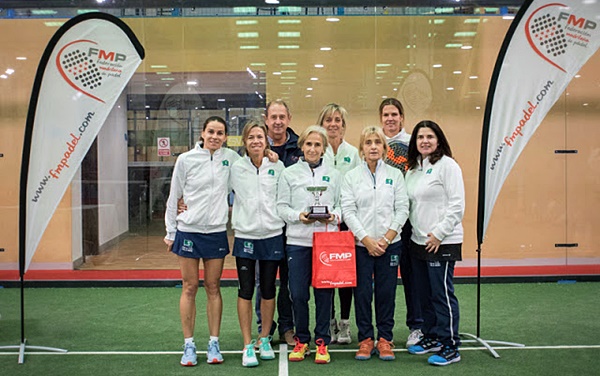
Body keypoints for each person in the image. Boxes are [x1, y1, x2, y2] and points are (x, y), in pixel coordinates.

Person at [164, 116, 240, 366]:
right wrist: (171, 231)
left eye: (220, 133)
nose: (215, 137)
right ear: (202, 133)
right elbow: (174, 195)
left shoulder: (230, 159)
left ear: (226, 137)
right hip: (188, 230)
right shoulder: (185, 160)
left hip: (216, 231)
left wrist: (271, 157)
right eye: (211, 132)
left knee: (213, 286)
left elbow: (251, 167)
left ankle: (213, 343)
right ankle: (188, 345)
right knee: (189, 287)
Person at [341, 125, 409, 361]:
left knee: (386, 293)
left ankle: (385, 339)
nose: (373, 147)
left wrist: (387, 238)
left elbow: (402, 209)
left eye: (377, 142)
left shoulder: (395, 175)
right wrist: (366, 240)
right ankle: (366, 339)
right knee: (361, 294)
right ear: (361, 148)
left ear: (384, 148)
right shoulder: (351, 177)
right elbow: (348, 211)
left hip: (391, 245)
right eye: (368, 142)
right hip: (361, 246)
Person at [277, 125, 341, 364]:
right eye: (309, 144)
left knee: (324, 294)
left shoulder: (335, 175)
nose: (313, 149)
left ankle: (322, 342)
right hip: (298, 241)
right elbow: (281, 207)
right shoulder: (289, 173)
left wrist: (334, 216)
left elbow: (343, 205)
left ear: (323, 148)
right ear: (301, 146)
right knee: (299, 293)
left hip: (326, 241)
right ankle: (301, 340)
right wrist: (299, 216)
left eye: (317, 144)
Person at [405, 120, 465, 366]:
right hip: (418, 242)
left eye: (430, 136)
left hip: (442, 242)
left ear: (438, 139)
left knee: (441, 294)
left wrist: (439, 234)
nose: (425, 141)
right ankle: (431, 337)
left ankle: (450, 345)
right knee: (424, 295)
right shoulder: (413, 169)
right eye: (420, 137)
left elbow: (457, 205)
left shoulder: (448, 166)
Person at [230, 120, 286, 367]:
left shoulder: (278, 166)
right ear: (245, 141)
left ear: (267, 141)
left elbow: (285, 198)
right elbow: (211, 189)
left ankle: (264, 339)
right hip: (246, 236)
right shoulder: (235, 167)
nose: (256, 141)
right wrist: (184, 202)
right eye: (251, 137)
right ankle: (247, 344)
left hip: (272, 235)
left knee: (267, 289)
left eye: (260, 138)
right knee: (245, 290)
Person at [379, 97, 424, 348]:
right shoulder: (375, 144)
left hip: (410, 221)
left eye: (394, 114)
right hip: (383, 223)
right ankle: (380, 331)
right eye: (386, 115)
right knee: (383, 280)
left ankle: (417, 326)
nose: (390, 119)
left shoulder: (413, 144)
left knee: (411, 275)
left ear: (402, 118)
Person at [258, 99, 303, 346]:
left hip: (293, 229)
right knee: (262, 282)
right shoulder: (254, 145)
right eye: (273, 117)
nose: (277, 121)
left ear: (289, 118)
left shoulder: (300, 147)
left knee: (288, 283)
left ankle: (287, 326)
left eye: (281, 117)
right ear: (266, 119)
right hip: (263, 228)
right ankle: (263, 328)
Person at [316, 103, 359, 345]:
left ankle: (344, 323)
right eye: (328, 120)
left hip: (345, 223)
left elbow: (355, 188)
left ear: (343, 125)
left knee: (344, 277)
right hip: (320, 225)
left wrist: (343, 216)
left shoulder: (352, 153)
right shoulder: (315, 150)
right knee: (324, 277)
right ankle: (329, 322)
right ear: (321, 124)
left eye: (337, 120)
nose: (333, 124)